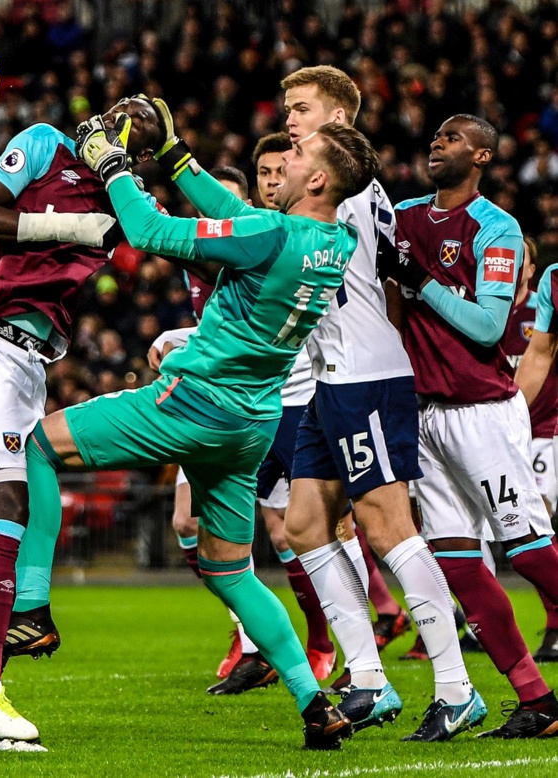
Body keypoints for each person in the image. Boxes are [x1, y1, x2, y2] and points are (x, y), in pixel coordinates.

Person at [20, 109, 381, 751]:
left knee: (41, 445)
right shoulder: (336, 243)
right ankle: (312, 701)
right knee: (232, 571)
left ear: (320, 180)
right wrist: (179, 156)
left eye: (299, 157)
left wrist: (112, 166)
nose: (286, 163)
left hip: (192, 405)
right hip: (251, 423)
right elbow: (241, 220)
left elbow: (149, 229)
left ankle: (32, 606)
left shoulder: (273, 236)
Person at [0, 96, 164, 751]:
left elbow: (155, 233)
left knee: (32, 486)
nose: (122, 111)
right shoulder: (43, 144)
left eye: (141, 117)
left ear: (142, 154)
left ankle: (25, 622)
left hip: (30, 363)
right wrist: (69, 228)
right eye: (122, 102)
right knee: (7, 499)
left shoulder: (126, 202)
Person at [279, 66, 484, 741]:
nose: (289, 121)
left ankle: (456, 689)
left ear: (339, 116)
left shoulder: (348, 190)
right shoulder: (346, 189)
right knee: (306, 526)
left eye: (301, 109)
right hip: (330, 381)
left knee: (387, 526)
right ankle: (368, 680)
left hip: (364, 378)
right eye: (287, 109)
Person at [382, 113, 558, 738]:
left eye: (453, 138)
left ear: (482, 156)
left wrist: (421, 282)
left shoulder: (496, 228)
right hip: (424, 413)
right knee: (456, 562)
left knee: (532, 552)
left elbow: (487, 327)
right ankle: (534, 699)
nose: (438, 143)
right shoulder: (400, 217)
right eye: (435, 136)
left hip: (482, 411)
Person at [155, 140, 337, 694]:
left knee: (308, 529)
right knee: (191, 524)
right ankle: (251, 638)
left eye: (282, 169)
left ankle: (333, 639)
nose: (272, 178)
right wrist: (177, 339)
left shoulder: (274, 235)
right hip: (218, 394)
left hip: (287, 401)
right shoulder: (222, 247)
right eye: (264, 171)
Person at [505, 237, 558, 664]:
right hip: (530, 430)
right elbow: (538, 357)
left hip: (548, 428)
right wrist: (507, 423)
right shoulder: (554, 283)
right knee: (532, 521)